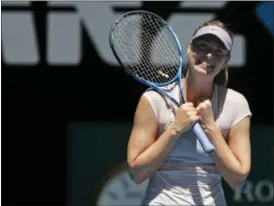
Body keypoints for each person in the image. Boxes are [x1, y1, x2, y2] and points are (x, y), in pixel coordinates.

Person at [126, 20, 252, 206]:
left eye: (218, 51)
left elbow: (237, 178)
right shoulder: (155, 99)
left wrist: (210, 127)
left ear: (226, 60)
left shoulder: (236, 104)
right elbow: (136, 173)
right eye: (202, 46)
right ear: (189, 48)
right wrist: (175, 128)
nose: (209, 55)